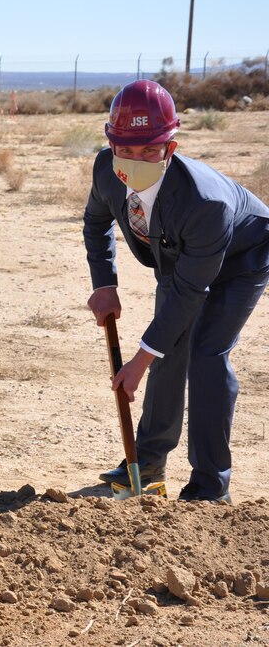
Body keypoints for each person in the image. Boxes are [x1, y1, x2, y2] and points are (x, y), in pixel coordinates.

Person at [85, 79, 269, 505]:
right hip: (179, 257)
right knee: (166, 346)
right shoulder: (105, 171)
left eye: (150, 150)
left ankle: (210, 485)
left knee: (205, 353)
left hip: (241, 258)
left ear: (170, 148)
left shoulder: (207, 202)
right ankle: (147, 465)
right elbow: (95, 224)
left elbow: (190, 294)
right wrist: (105, 285)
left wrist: (138, 362)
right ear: (111, 144)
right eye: (125, 149)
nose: (136, 160)